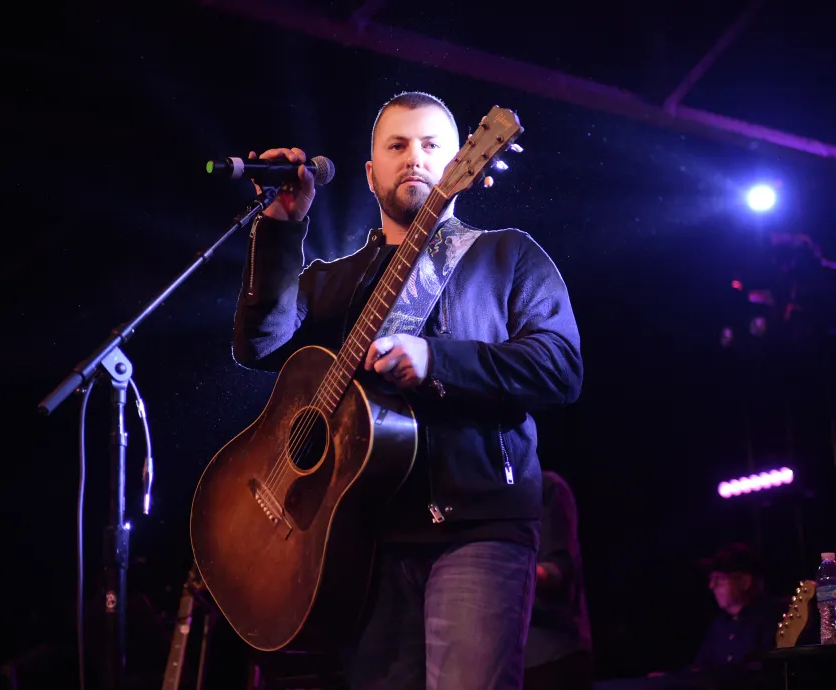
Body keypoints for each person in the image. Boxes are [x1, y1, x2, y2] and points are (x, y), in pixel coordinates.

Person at [231, 90, 583, 690]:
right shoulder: (331, 281)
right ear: (370, 173)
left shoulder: (507, 255)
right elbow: (259, 344)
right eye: (396, 146)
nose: (414, 157)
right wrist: (281, 232)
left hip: (476, 525)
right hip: (362, 537)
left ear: (460, 163)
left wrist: (438, 360)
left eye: (430, 145)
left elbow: (559, 368)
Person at [523, 470, 594, 690]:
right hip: (501, 660)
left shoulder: (544, 487)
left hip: (550, 656)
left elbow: (559, 573)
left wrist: (500, 574)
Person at [690, 542, 786, 669]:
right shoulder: (719, 625)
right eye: (711, 579)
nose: (712, 586)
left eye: (720, 578)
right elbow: (699, 670)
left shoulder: (773, 618)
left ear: (745, 582)